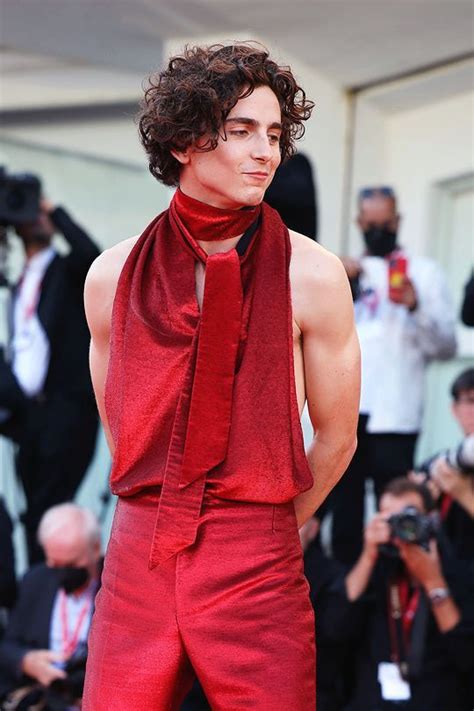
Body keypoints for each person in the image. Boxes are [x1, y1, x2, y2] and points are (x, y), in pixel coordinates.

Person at [82, 43, 360, 709]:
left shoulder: (314, 274)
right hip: (139, 550)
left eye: (272, 134)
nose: (264, 152)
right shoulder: (110, 277)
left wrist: (261, 527)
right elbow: (121, 432)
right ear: (184, 141)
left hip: (257, 552)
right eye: (240, 132)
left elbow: (338, 437)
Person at [331, 185, 457, 564]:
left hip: (396, 415)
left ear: (398, 221)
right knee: (345, 517)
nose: (378, 231)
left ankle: (393, 597)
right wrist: (340, 281)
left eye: (385, 224)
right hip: (348, 413)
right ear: (359, 223)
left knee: (397, 510)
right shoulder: (343, 270)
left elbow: (447, 346)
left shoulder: (423, 273)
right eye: (371, 225)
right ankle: (348, 601)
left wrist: (416, 305)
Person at [0, 195, 100, 563]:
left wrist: (54, 211)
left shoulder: (65, 271)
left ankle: (55, 584)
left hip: (65, 414)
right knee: (33, 515)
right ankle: (40, 592)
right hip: (28, 418)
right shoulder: (17, 280)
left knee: (51, 509)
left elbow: (90, 255)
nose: (35, 219)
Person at [345, 478, 474, 710]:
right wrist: (368, 554)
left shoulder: (459, 572)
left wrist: (433, 581)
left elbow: (466, 657)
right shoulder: (377, 569)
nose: (402, 528)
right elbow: (336, 629)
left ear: (432, 520)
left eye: (410, 517)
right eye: (391, 520)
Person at [0, 503, 102, 708]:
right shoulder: (35, 581)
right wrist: (26, 661)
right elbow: (7, 646)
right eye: (55, 565)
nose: (63, 573)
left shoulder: (118, 587)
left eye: (71, 564)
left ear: (96, 548)